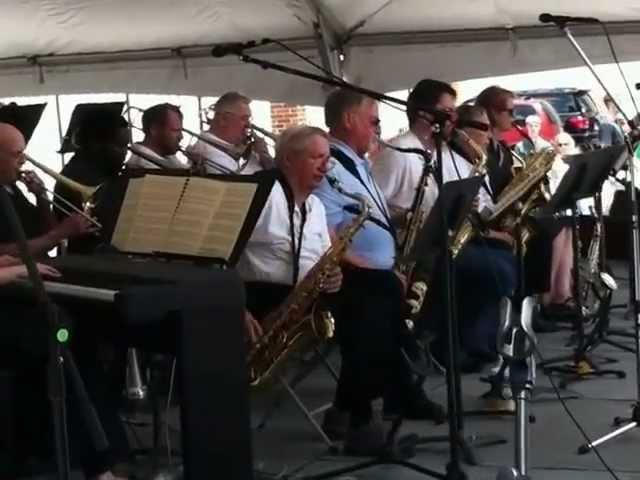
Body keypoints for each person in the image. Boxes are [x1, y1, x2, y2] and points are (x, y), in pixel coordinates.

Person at [313, 88, 444, 455]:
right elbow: (326, 230)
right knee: (380, 307)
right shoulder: (330, 165)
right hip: (343, 274)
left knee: (396, 297)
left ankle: (357, 405)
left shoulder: (358, 160)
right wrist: (372, 266)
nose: (378, 128)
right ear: (349, 119)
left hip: (374, 270)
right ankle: (367, 412)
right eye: (373, 120)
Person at [235, 126, 340, 342]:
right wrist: (236, 307)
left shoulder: (316, 206)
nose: (325, 167)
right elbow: (217, 258)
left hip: (298, 306)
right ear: (289, 160)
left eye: (328, 159)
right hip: (258, 305)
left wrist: (335, 277)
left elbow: (322, 260)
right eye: (316, 157)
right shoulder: (262, 193)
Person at [0, 122, 95, 257]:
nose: (23, 161)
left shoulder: (9, 186)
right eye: (17, 154)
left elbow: (45, 235)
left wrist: (42, 196)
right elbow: (4, 253)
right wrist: (59, 234)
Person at [54, 108, 130, 253]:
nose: (126, 152)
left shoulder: (102, 168)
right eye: (120, 146)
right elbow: (106, 223)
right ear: (96, 144)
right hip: (90, 258)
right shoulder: (79, 176)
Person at [187, 92, 273, 175]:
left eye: (249, 119)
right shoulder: (209, 152)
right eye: (244, 119)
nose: (248, 125)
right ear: (224, 119)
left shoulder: (239, 149)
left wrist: (265, 157)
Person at [125, 103, 188, 169]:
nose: (181, 137)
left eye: (180, 131)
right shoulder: (143, 166)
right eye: (175, 130)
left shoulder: (165, 155)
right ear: (154, 129)